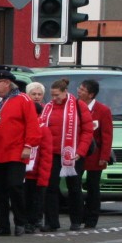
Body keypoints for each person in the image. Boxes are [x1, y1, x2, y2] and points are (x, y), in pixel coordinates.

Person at [0, 68, 39, 237]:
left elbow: (32, 124)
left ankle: (21, 222)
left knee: (15, 186)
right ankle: (3, 225)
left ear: (7, 83)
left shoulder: (23, 100)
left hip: (15, 151)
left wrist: (28, 146)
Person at [40, 78, 94, 231]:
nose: (54, 98)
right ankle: (51, 222)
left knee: (74, 188)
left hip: (73, 153)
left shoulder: (78, 105)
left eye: (57, 95)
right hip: (53, 153)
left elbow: (87, 131)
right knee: (50, 187)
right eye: (52, 95)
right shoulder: (48, 107)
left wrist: (80, 151)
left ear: (65, 92)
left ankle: (76, 220)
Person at [76, 79, 113, 228]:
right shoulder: (74, 107)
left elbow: (107, 136)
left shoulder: (103, 110)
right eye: (79, 88)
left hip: (95, 155)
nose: (79, 91)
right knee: (75, 185)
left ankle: (91, 218)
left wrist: (104, 157)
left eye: (82, 90)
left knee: (92, 186)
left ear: (91, 94)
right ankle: (78, 216)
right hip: (77, 153)